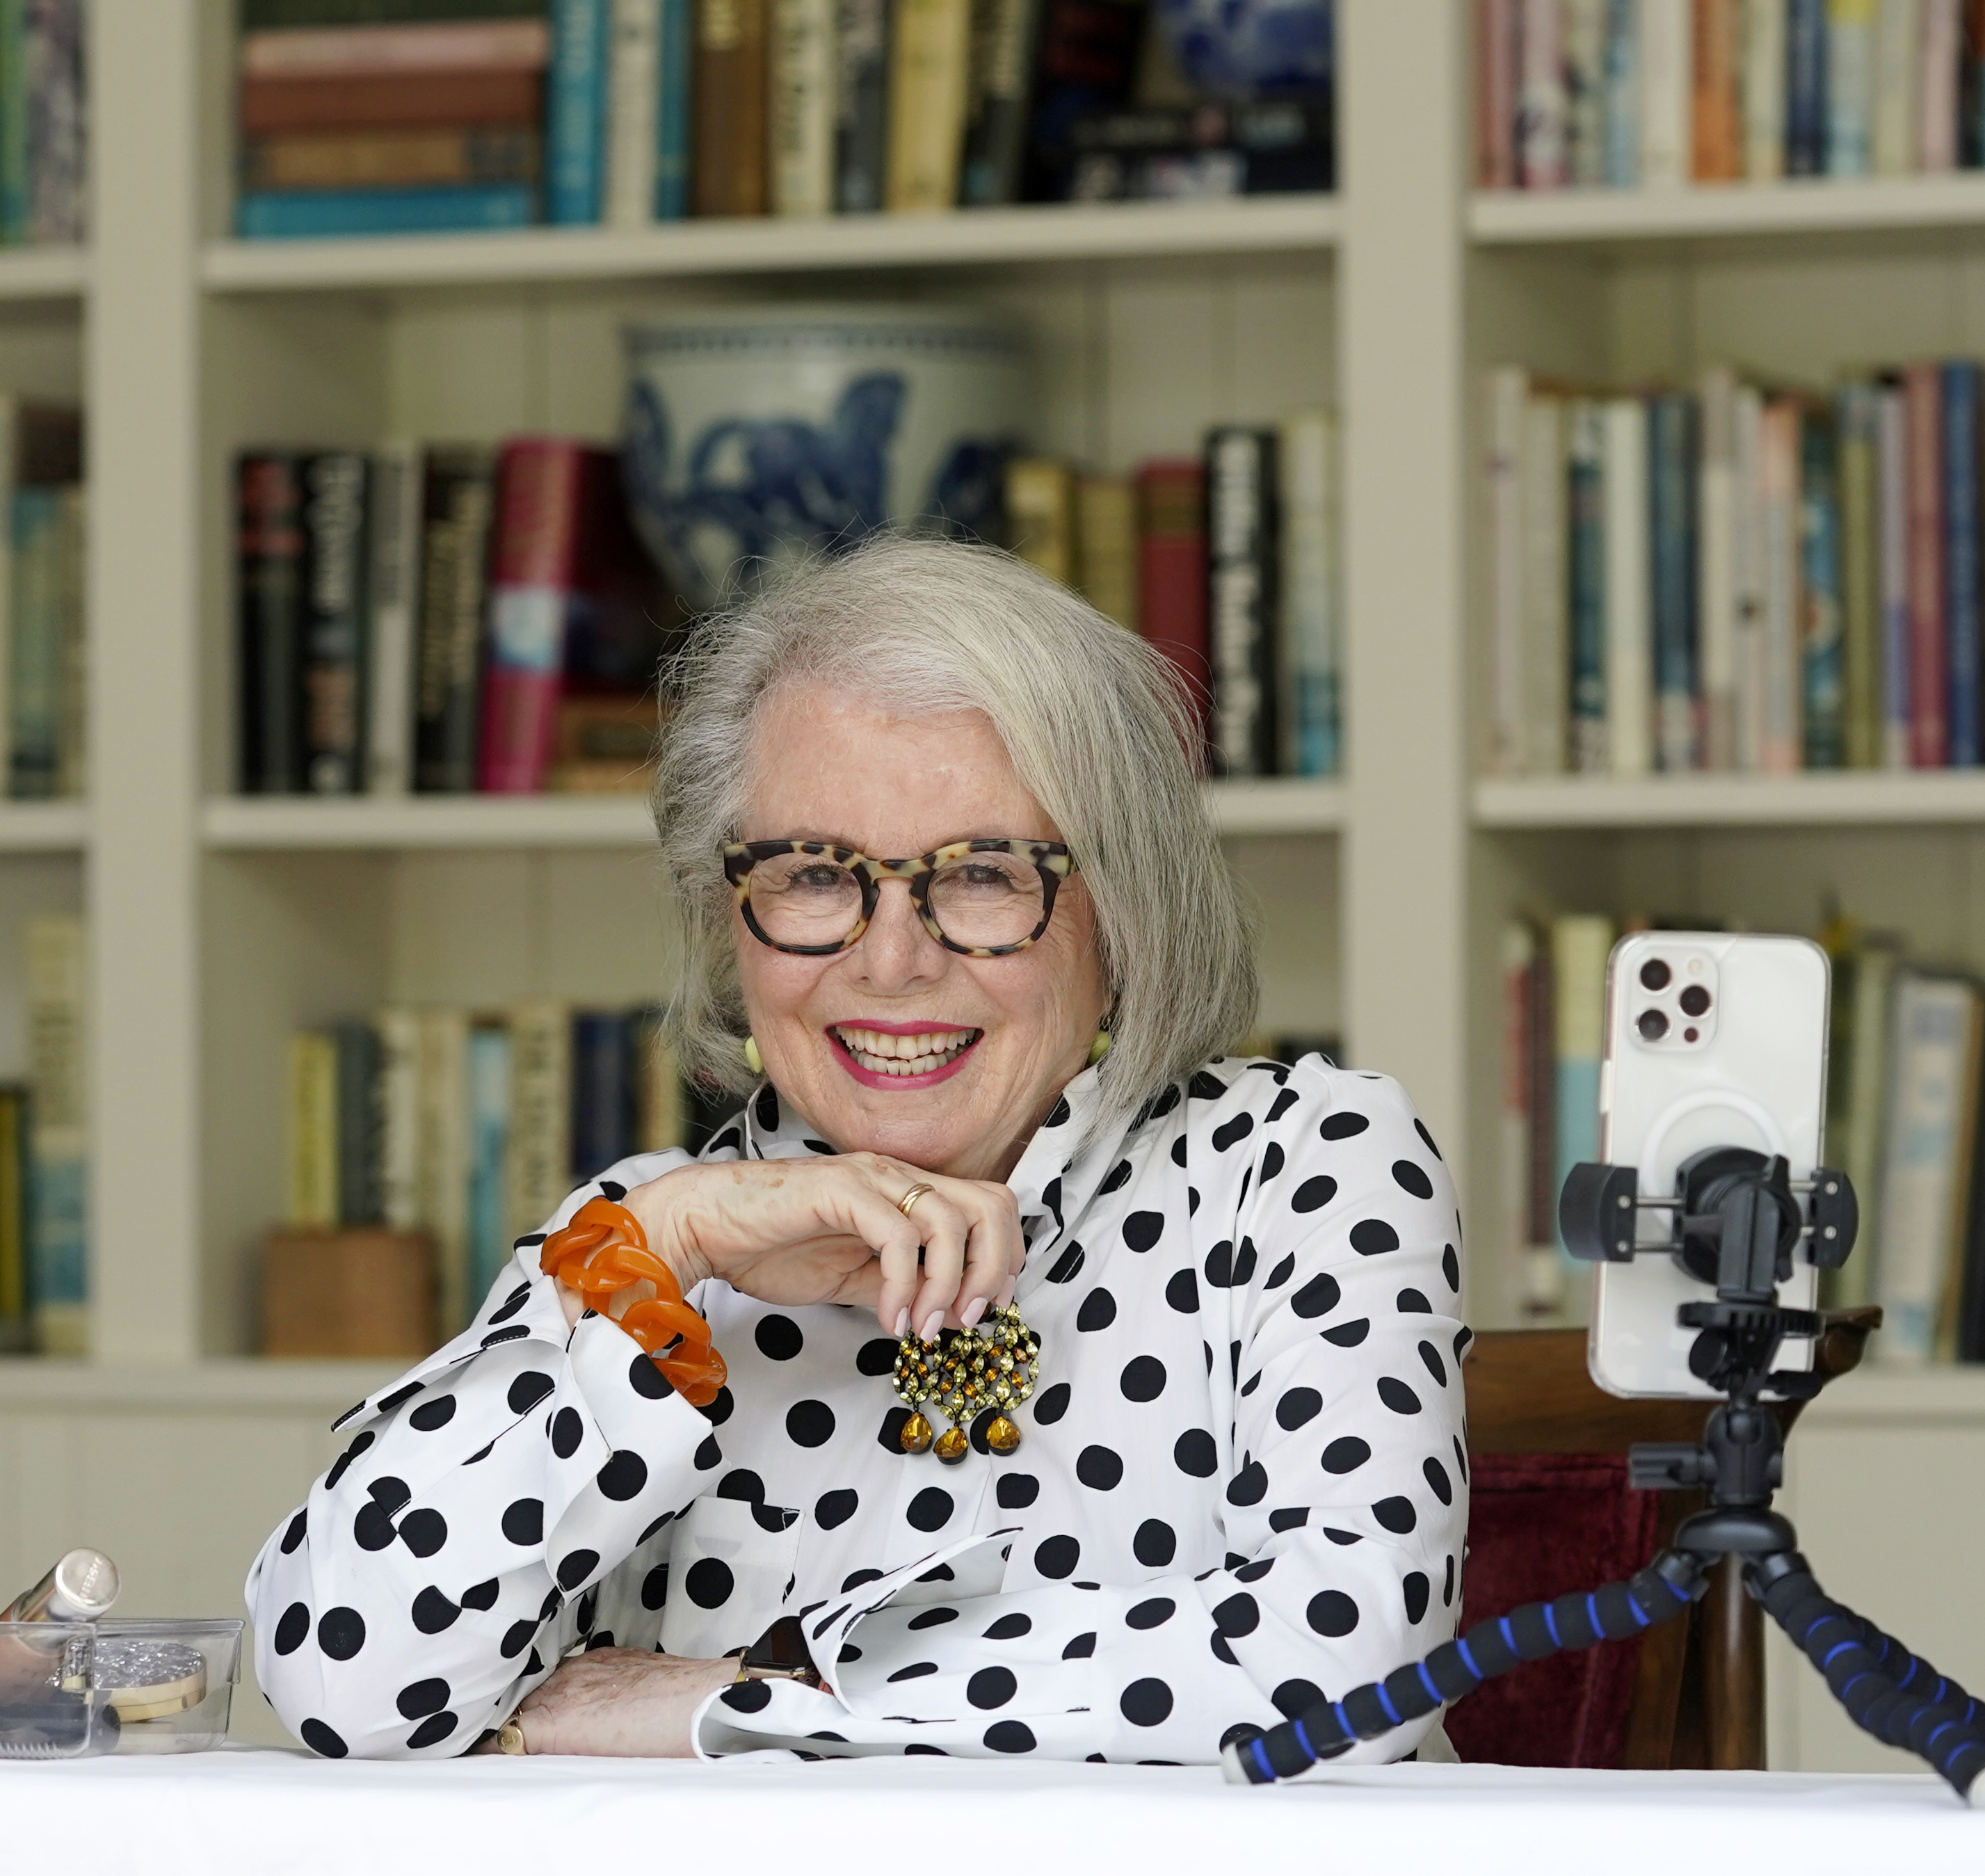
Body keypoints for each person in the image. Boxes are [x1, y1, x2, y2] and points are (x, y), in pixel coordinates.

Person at [243, 534, 1468, 1764]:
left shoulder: (1306, 1167)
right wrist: (652, 1263)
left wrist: (739, 1695)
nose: (890, 961)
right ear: (728, 919)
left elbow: (1348, 1670)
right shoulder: (652, 1232)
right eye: (815, 874)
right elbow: (344, 1690)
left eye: (986, 874)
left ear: (1126, 906)